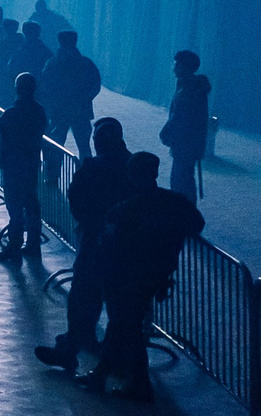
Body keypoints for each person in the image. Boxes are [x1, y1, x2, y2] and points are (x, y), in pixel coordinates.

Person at [81, 154, 203, 400]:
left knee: (125, 324)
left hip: (125, 275)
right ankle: (108, 374)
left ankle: (131, 382)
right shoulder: (173, 203)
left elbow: (109, 241)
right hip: (155, 274)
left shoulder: (127, 208)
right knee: (126, 325)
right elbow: (196, 223)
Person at [35, 121, 134, 374]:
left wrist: (89, 223)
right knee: (120, 306)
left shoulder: (93, 167)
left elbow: (75, 196)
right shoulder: (132, 167)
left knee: (83, 296)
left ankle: (71, 348)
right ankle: (118, 358)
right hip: (126, 249)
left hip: (94, 242)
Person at [0, 73, 48, 263]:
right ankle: (33, 245)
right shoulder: (39, 111)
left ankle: (14, 246)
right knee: (31, 205)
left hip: (13, 165)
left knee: (14, 207)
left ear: (17, 89)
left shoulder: (13, 112)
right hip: (31, 163)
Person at [40, 31, 101, 166]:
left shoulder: (52, 63)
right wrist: (85, 98)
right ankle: (87, 173)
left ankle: (52, 173)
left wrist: (54, 100)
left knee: (56, 145)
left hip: (58, 111)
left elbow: (45, 85)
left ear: (59, 42)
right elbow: (95, 85)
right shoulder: (86, 63)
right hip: (81, 110)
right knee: (84, 146)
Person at [161, 51, 211, 199]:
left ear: (187, 67)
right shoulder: (186, 85)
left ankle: (185, 209)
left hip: (187, 142)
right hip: (185, 142)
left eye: (178, 65)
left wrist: (167, 132)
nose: (174, 69)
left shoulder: (191, 90)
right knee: (182, 178)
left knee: (181, 181)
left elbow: (182, 118)